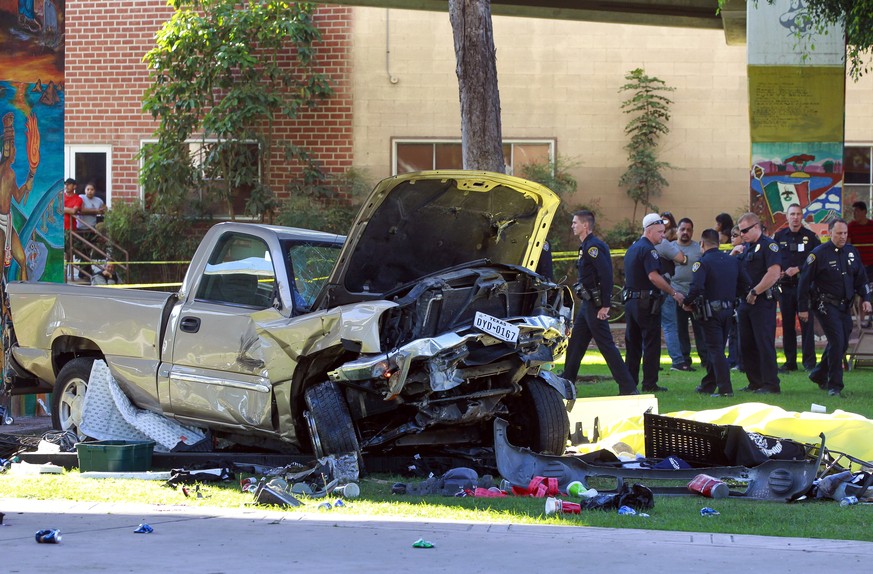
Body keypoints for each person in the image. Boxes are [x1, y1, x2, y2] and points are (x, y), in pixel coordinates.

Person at [561, 210, 637, 395]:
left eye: (575, 223)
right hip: (588, 305)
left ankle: (628, 387)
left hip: (595, 306)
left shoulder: (593, 247)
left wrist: (605, 305)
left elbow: (606, 275)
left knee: (607, 347)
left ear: (585, 225)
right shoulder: (585, 246)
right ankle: (566, 383)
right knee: (576, 343)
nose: (572, 226)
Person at [798, 218, 872, 397]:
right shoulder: (818, 254)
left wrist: (866, 298)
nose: (842, 237)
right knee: (838, 341)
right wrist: (802, 308)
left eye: (845, 233)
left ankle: (818, 373)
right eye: (839, 233)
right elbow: (804, 282)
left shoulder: (851, 252)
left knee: (842, 343)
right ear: (829, 233)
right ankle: (835, 386)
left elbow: (861, 278)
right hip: (825, 305)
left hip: (844, 305)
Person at [623, 213, 685, 393]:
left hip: (631, 302)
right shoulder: (649, 250)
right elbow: (653, 276)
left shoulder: (633, 248)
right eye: (660, 232)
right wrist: (673, 292)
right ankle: (650, 384)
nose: (663, 236)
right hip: (646, 304)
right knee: (651, 343)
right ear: (649, 231)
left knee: (633, 345)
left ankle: (629, 384)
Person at [683, 228, 749, 397]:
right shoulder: (732, 261)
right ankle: (708, 385)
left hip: (710, 312)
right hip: (728, 311)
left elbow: (696, 287)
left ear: (702, 244)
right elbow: (746, 283)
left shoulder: (702, 263)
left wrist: (687, 302)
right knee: (717, 348)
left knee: (715, 350)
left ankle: (725, 389)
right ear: (718, 243)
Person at [735, 212, 782, 394]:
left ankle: (771, 383)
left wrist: (756, 291)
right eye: (740, 231)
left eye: (745, 230)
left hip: (762, 301)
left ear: (756, 227)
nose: (742, 235)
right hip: (745, 301)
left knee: (763, 342)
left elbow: (773, 273)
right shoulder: (747, 247)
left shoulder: (769, 246)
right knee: (746, 344)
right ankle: (755, 382)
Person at [773, 203, 820, 373]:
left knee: (807, 325)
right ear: (787, 217)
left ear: (802, 216)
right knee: (787, 325)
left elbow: (816, 260)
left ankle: (809, 362)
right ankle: (790, 362)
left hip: (804, 287)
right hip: (785, 288)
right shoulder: (778, 237)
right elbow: (772, 258)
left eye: (798, 214)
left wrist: (799, 268)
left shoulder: (811, 237)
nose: (795, 217)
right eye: (792, 214)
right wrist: (778, 271)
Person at [661, 217, 708, 372]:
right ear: (677, 230)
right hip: (676, 295)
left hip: (696, 295)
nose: (685, 232)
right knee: (680, 329)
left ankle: (706, 359)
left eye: (689, 229)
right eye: (682, 229)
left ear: (692, 231)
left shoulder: (698, 249)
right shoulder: (670, 248)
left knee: (700, 329)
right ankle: (685, 359)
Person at [0, 112, 38, 280]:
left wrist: (29, 180)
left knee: (22, 260)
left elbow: (17, 197)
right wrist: (8, 128)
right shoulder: (2, 170)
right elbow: (7, 149)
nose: (13, 151)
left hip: (8, 221)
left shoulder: (12, 173)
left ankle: (23, 296)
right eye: (11, 148)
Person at [847, 201, 873, 328]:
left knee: (869, 291)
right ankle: (859, 319)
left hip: (872, 266)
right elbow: (848, 246)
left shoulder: (871, 225)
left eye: (857, 211)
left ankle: (868, 319)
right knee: (859, 291)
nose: (854, 214)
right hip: (858, 267)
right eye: (853, 211)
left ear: (864, 212)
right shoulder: (851, 227)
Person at [727, 225, 744, 372]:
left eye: (736, 235)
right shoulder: (730, 253)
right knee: (732, 331)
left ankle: (740, 361)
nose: (733, 237)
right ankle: (732, 359)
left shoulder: (744, 253)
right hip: (731, 297)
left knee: (739, 331)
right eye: (731, 235)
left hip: (741, 296)